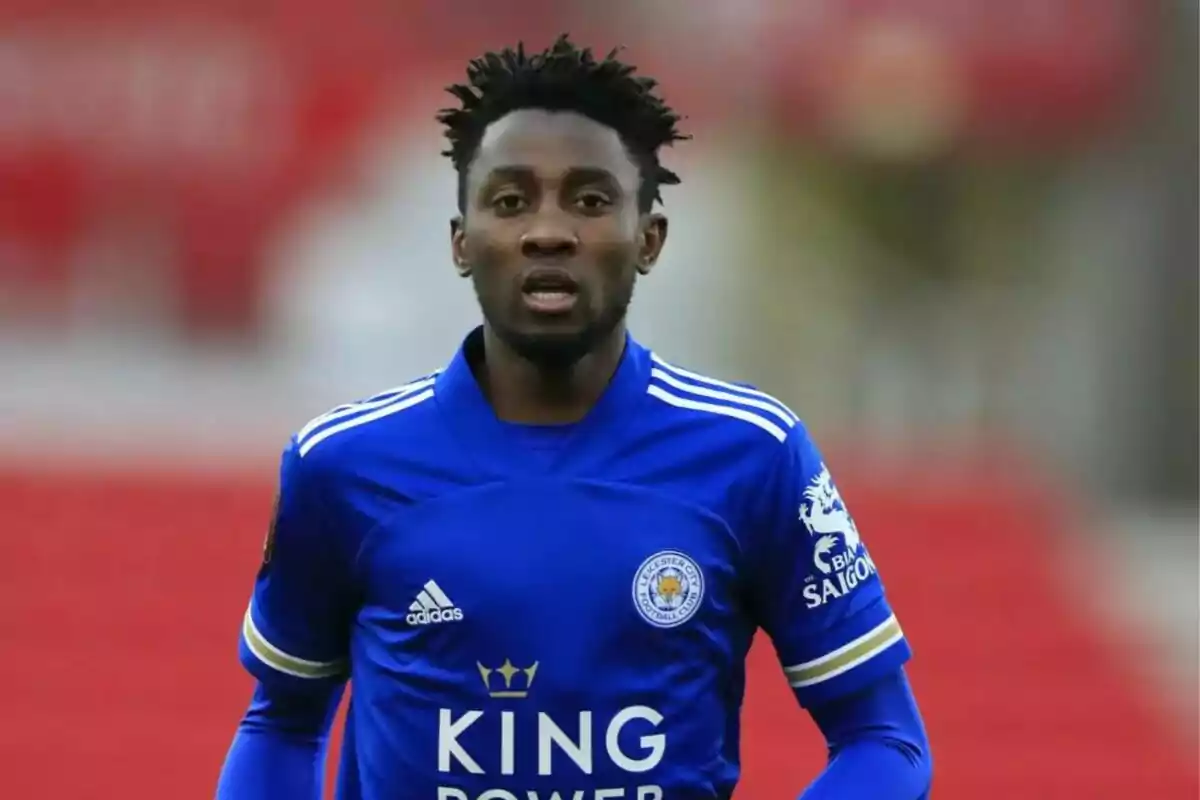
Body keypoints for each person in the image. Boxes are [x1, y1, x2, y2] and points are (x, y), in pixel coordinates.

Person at [216, 35, 932, 800]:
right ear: (462, 243)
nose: (549, 231)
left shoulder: (753, 454)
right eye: (510, 199)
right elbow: (282, 724)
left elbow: (883, 741)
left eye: (590, 200)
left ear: (648, 240)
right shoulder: (342, 465)